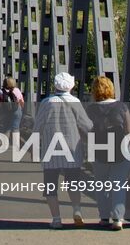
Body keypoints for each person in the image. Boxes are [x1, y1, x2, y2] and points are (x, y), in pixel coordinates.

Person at [34, 72, 92, 229]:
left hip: (50, 149)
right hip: (72, 149)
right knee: (73, 183)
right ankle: (77, 210)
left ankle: (56, 219)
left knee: (50, 186)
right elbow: (87, 126)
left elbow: (37, 126)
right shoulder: (75, 102)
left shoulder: (47, 102)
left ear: (55, 86)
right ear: (71, 86)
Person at [85, 75, 130, 230]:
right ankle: (118, 218)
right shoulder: (121, 107)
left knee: (101, 185)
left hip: (99, 151)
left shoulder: (91, 109)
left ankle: (104, 217)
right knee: (118, 185)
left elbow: (86, 131)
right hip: (120, 151)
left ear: (94, 91)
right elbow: (129, 130)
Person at [0, 77, 25, 144]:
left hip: (5, 110)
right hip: (16, 110)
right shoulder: (17, 90)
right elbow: (22, 101)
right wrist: (21, 109)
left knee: (6, 128)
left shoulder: (1, 91)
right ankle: (16, 144)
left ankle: (5, 144)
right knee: (16, 128)